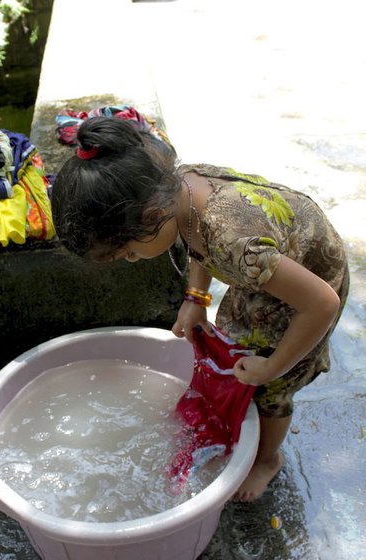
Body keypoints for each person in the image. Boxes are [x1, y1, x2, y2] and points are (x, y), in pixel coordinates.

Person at [51, 115, 349, 502]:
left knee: (269, 389)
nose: (131, 260)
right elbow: (199, 243)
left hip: (310, 287)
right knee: (236, 352)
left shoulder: (233, 242)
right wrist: (197, 298)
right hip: (270, 270)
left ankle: (267, 461)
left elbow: (323, 302)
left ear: (152, 217)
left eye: (127, 252)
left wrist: (274, 366)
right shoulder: (179, 190)